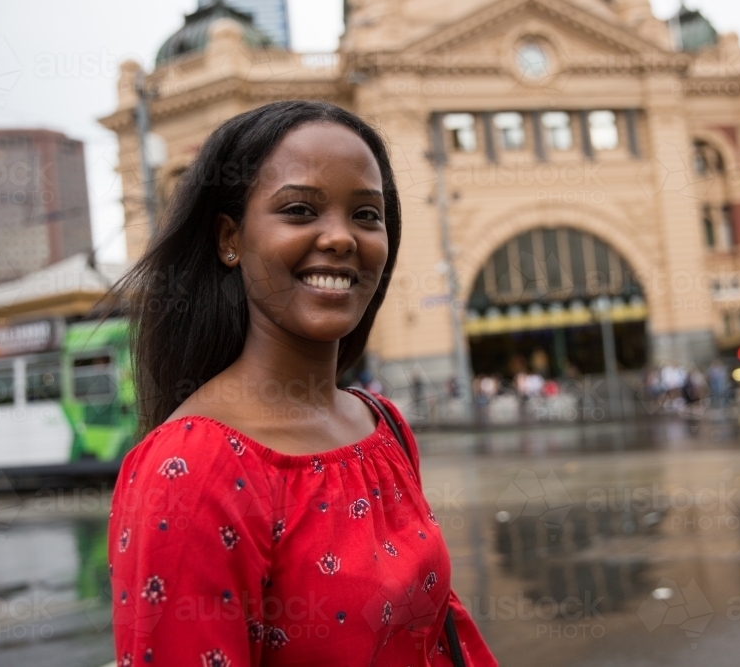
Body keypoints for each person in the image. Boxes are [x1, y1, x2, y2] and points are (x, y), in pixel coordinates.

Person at [106, 101, 496, 666]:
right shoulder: (189, 469)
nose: (341, 238)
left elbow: (438, 634)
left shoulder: (381, 424)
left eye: (367, 214)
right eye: (299, 210)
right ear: (229, 239)